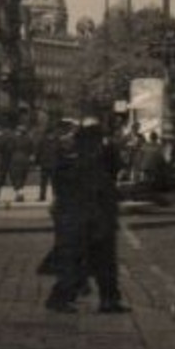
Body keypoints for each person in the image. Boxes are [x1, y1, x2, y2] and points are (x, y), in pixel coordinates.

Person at [45, 116, 128, 314]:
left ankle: (105, 299)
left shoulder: (79, 159)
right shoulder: (85, 161)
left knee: (89, 261)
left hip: (87, 218)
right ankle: (68, 298)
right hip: (87, 219)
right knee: (89, 261)